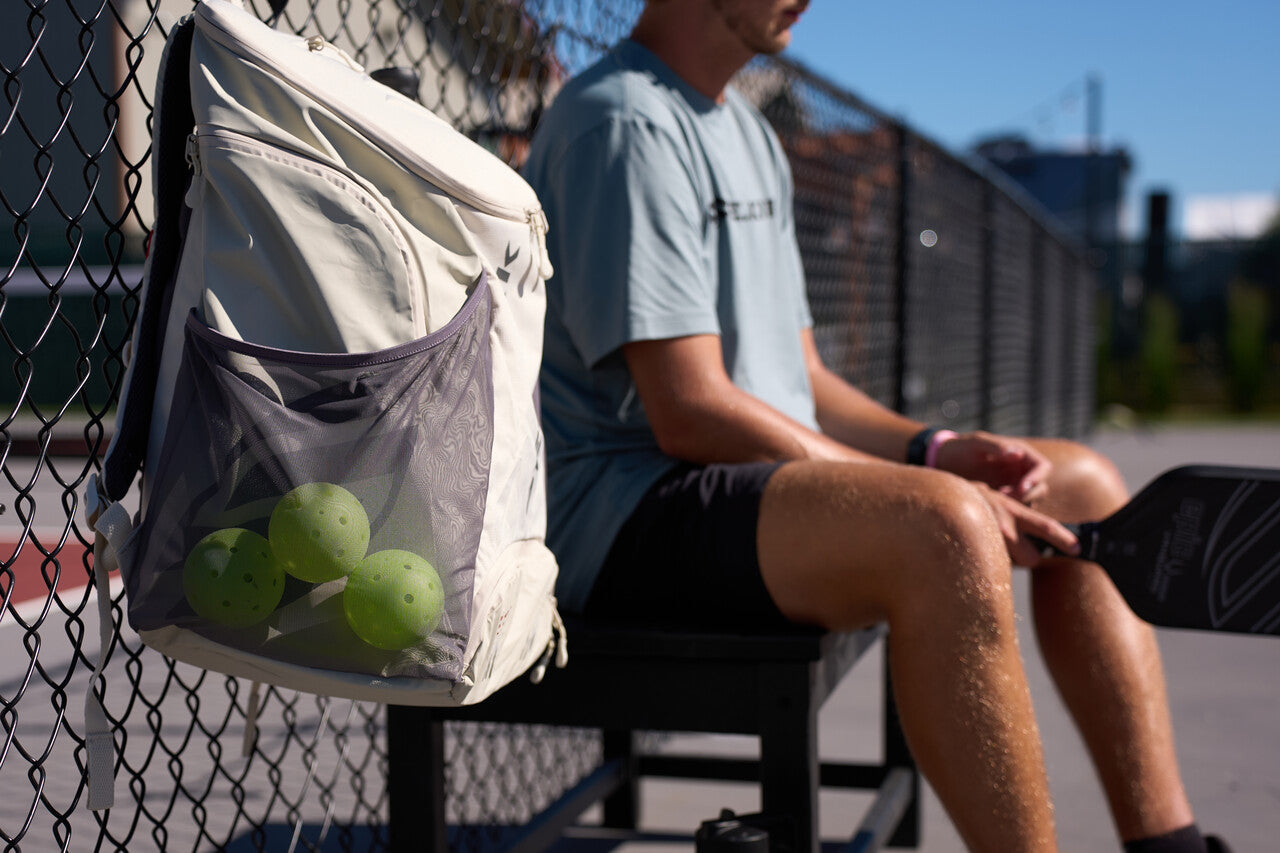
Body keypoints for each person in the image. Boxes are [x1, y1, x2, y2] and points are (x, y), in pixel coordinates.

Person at [522, 1, 1228, 851]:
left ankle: (1171, 845)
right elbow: (689, 408)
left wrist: (937, 449)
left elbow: (806, 381)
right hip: (622, 511)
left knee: (1081, 483)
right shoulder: (623, 124)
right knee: (944, 525)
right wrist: (929, 488)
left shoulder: (743, 130)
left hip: (734, 483)